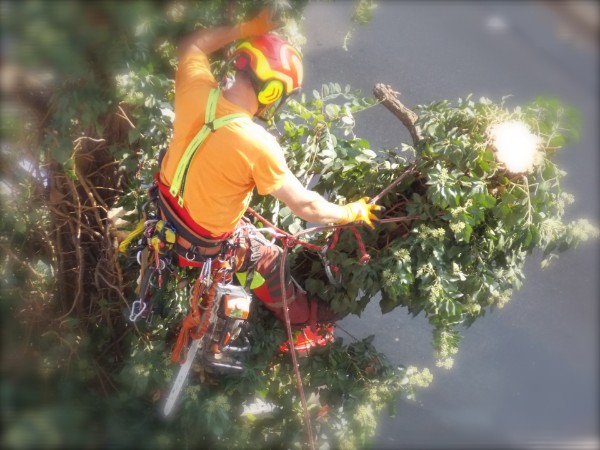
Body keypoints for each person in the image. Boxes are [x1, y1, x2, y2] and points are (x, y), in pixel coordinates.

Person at [156, 9, 381, 353]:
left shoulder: (195, 89)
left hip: (163, 216)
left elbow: (194, 45)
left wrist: (248, 27)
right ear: (273, 91)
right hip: (199, 245)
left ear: (241, 63)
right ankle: (305, 321)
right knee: (269, 256)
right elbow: (306, 205)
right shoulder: (257, 144)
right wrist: (351, 211)